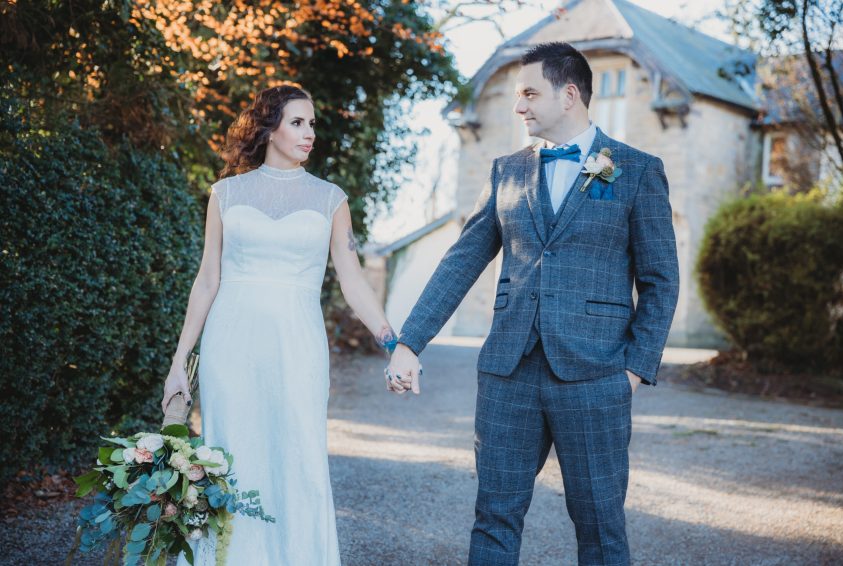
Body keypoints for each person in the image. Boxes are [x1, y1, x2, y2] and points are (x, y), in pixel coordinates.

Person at [387, 42, 679, 565]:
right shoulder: (506, 171)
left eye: (528, 93)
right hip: (507, 373)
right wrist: (410, 341)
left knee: (601, 526)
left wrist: (633, 370)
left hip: (597, 376)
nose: (518, 106)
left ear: (569, 95)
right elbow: (461, 262)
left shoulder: (635, 169)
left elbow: (660, 280)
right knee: (494, 518)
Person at [161, 85, 400, 566]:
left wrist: (394, 343)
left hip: (297, 343)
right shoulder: (225, 194)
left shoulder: (331, 199)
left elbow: (353, 281)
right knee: (230, 452)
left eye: (312, 124)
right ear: (268, 126)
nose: (309, 133)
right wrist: (179, 362)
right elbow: (207, 280)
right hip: (231, 342)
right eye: (297, 122)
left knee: (298, 455)